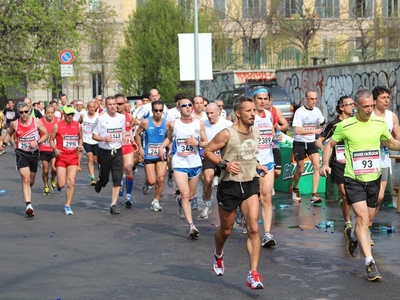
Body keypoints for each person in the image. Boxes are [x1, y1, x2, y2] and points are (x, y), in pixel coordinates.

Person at [321, 89, 400, 281]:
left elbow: (390, 143)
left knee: (368, 220)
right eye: (366, 107)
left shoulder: (380, 123)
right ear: (356, 106)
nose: (370, 110)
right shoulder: (345, 126)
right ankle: (369, 263)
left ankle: (354, 237)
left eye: (372, 106)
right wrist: (324, 164)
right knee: (362, 218)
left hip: (373, 178)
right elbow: (329, 144)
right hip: (353, 179)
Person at [203, 96, 267, 289]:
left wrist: (257, 165)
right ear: (238, 112)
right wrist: (224, 164)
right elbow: (207, 151)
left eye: (254, 111)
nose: (253, 114)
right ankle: (218, 253)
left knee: (254, 228)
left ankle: (253, 274)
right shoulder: (226, 134)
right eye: (249, 111)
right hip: (229, 186)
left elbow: (247, 154)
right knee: (227, 230)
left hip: (249, 184)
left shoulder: (256, 132)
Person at [159, 98, 207, 238]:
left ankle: (180, 202)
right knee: (185, 193)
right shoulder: (174, 124)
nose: (188, 107)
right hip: (179, 163)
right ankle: (192, 226)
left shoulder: (199, 123)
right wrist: (162, 147)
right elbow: (169, 138)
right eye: (184, 105)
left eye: (189, 105)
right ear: (178, 108)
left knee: (190, 195)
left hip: (194, 162)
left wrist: (196, 142)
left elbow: (206, 143)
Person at [0, 102, 48, 217]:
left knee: (31, 180)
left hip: (34, 153)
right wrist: (4, 144)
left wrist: (37, 142)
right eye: (21, 112)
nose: (24, 114)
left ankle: (26, 193)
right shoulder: (15, 124)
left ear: (29, 111)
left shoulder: (36, 121)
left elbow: (46, 134)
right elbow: (9, 133)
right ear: (18, 113)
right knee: (25, 179)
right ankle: (29, 205)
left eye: (26, 112)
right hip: (21, 153)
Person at [315, 96, 354, 237]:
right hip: (337, 163)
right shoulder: (334, 124)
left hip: (353, 162)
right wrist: (326, 149)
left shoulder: (356, 122)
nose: (352, 106)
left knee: (351, 195)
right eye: (349, 104)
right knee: (345, 194)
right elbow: (319, 141)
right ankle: (347, 222)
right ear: (341, 107)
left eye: (353, 104)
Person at [92, 96, 127, 215]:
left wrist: (124, 137)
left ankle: (113, 205)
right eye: (110, 104)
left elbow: (122, 131)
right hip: (104, 152)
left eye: (114, 104)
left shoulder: (122, 117)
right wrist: (103, 138)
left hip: (117, 151)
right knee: (105, 180)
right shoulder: (100, 118)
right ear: (106, 106)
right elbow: (93, 135)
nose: (113, 106)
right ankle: (100, 182)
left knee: (117, 178)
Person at [252, 88, 277, 247]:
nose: (263, 101)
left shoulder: (268, 115)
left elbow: (272, 134)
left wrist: (276, 137)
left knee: (266, 196)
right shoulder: (249, 116)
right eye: (259, 98)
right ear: (254, 100)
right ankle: (251, 227)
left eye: (265, 98)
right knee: (253, 199)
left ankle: (267, 234)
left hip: (268, 160)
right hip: (251, 162)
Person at [371, 86, 400, 219]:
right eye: (383, 97)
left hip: (384, 160)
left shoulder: (391, 116)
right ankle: (362, 224)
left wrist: (390, 141)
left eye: (388, 97)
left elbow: (397, 137)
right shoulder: (368, 115)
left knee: (380, 196)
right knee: (368, 196)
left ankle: (367, 225)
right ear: (375, 100)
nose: (386, 100)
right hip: (368, 160)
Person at [291, 90, 325, 204]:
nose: (314, 101)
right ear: (306, 99)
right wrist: (314, 130)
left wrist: (326, 133)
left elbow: (324, 124)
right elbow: (297, 131)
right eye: (311, 99)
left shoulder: (317, 111)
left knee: (316, 166)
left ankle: (314, 194)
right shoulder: (300, 112)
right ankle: (295, 187)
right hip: (300, 143)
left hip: (311, 142)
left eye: (315, 98)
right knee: (300, 169)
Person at [199, 103, 232, 219]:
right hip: (209, 156)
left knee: (229, 183)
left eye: (212, 113)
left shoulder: (227, 124)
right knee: (208, 178)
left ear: (218, 111)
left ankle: (235, 209)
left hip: (224, 157)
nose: (209, 115)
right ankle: (207, 203)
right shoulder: (202, 124)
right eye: (207, 113)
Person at [49, 105, 83, 215]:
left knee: (71, 182)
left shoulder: (77, 125)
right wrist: (55, 149)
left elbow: (81, 138)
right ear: (63, 114)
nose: (70, 116)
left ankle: (68, 205)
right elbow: (51, 140)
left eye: (72, 114)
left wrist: (80, 145)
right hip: (61, 158)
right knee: (62, 183)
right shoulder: (57, 126)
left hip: (73, 157)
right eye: (68, 114)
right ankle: (58, 185)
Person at [136, 101, 168, 211]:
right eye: (156, 110)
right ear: (152, 111)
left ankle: (155, 201)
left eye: (160, 110)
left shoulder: (167, 123)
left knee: (161, 178)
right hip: (149, 154)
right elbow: (137, 134)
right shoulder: (145, 122)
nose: (158, 113)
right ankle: (147, 182)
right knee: (152, 181)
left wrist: (168, 150)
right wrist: (140, 147)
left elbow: (170, 138)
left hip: (161, 154)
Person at [115, 94, 138, 208]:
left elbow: (130, 130)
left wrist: (133, 141)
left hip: (127, 146)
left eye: (120, 104)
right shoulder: (111, 116)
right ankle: (120, 183)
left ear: (125, 104)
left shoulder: (130, 116)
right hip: (116, 147)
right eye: (116, 104)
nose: (118, 106)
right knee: (119, 171)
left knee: (129, 168)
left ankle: (128, 196)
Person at [264, 91, 290, 178]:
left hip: (275, 145)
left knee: (277, 172)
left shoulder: (276, 111)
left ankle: (270, 184)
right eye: (265, 99)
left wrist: (278, 127)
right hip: (263, 146)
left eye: (269, 99)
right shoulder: (256, 113)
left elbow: (286, 126)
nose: (267, 102)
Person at [78, 101, 99, 185]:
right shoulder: (83, 116)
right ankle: (92, 178)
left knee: (95, 160)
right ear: (87, 108)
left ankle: (92, 174)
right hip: (86, 140)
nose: (92, 109)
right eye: (90, 107)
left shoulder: (98, 116)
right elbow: (78, 123)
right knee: (89, 159)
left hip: (96, 140)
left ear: (95, 108)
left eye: (93, 107)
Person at [39, 105, 58, 195]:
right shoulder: (40, 122)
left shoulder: (58, 121)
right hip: (43, 149)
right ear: (45, 113)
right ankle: (46, 185)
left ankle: (53, 178)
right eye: (48, 113)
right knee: (45, 170)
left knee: (54, 168)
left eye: (52, 113)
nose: (50, 115)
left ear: (54, 113)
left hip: (54, 149)